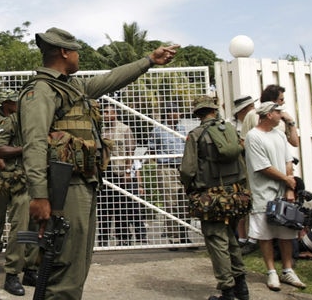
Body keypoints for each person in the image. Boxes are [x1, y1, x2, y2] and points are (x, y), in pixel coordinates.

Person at [19, 27, 178, 300]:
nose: (80, 55)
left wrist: (149, 60)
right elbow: (34, 143)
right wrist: (39, 195)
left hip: (82, 185)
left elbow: (111, 79)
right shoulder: (42, 91)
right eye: (77, 50)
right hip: (62, 190)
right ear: (64, 52)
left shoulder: (73, 87)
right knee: (63, 267)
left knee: (78, 264)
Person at [179, 95, 249, 300]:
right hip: (235, 194)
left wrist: (191, 189)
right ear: (213, 110)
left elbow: (187, 170)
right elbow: (241, 163)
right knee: (231, 239)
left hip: (211, 198)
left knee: (217, 241)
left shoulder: (197, 135)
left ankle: (227, 291)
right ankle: (242, 288)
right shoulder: (230, 132)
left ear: (198, 113)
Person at [0, 89, 38, 295]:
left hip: (22, 178)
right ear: (5, 103)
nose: (17, 105)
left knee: (26, 224)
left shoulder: (23, 119)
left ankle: (29, 268)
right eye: (13, 102)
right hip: (0, 177)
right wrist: (8, 171)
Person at [244, 101, 306, 291]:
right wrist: (287, 181)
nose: (281, 115)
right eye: (278, 112)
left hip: (283, 191)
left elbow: (289, 161)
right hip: (263, 192)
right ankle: (271, 271)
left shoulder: (279, 135)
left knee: (286, 231)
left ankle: (287, 270)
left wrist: (289, 186)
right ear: (268, 115)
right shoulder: (253, 136)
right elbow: (262, 166)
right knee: (265, 233)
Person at [98, 101, 146, 246]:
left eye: (107, 112)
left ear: (115, 113)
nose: (105, 115)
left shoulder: (124, 129)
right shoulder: (101, 131)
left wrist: (127, 171)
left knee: (122, 207)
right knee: (104, 208)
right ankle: (103, 238)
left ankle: (123, 237)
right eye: (104, 112)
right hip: (105, 173)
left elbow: (130, 151)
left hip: (119, 173)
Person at [147, 105, 193, 248]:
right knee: (170, 203)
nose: (178, 114)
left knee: (184, 202)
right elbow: (152, 150)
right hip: (166, 168)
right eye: (175, 111)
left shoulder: (182, 129)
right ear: (168, 113)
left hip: (181, 167)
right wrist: (161, 164)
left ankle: (184, 233)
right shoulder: (158, 130)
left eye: (178, 111)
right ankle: (173, 236)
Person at [229, 94, 258, 255]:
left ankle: (253, 238)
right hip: (238, 167)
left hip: (254, 167)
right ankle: (241, 238)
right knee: (239, 202)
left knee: (254, 202)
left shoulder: (255, 121)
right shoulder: (230, 125)